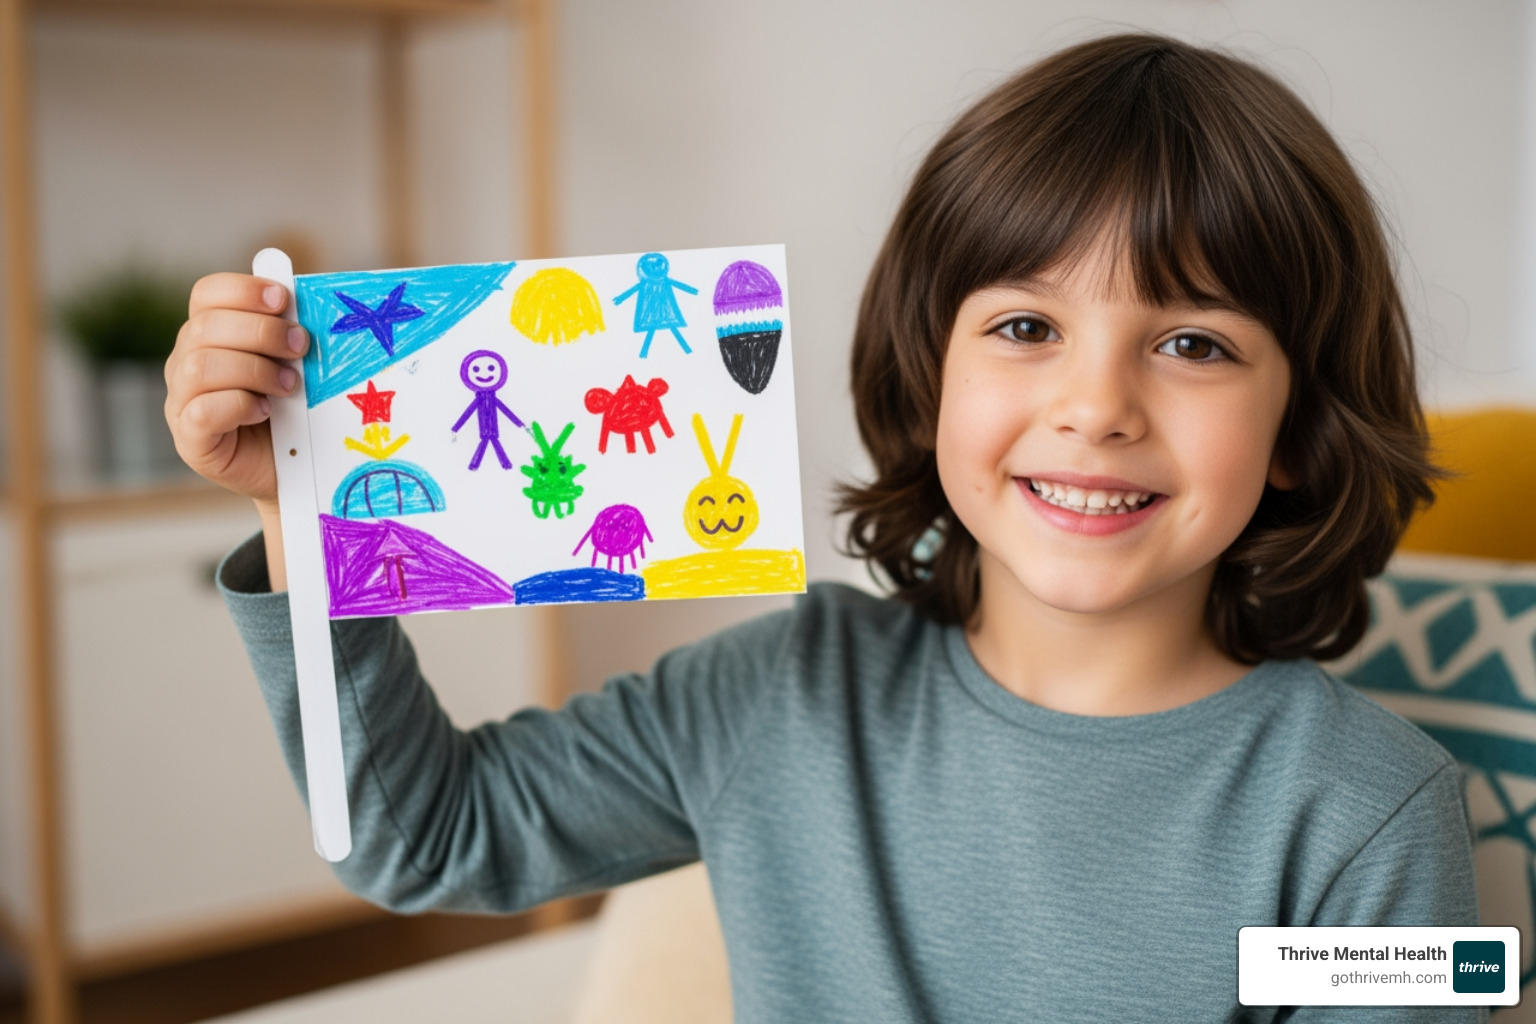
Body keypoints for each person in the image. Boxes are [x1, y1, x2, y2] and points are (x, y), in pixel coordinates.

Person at [165, 33, 1482, 1022]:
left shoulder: (1365, 817)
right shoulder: (781, 696)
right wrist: (300, 504)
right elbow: (423, 837)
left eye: (1193, 343)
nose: (1095, 408)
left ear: (1303, 431)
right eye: (1027, 327)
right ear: (928, 374)